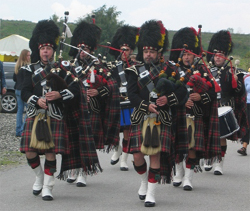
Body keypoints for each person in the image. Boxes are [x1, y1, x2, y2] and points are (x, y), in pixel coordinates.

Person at [125, 20, 189, 207]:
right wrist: (146, 105)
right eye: (145, 51)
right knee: (137, 155)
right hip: (141, 116)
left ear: (159, 52)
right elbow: (132, 94)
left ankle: (151, 193)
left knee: (155, 155)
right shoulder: (134, 70)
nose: (148, 54)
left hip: (162, 118)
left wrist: (169, 100)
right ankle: (144, 181)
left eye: (152, 51)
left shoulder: (171, 69)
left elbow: (183, 92)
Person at [20, 19, 80, 201]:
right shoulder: (27, 70)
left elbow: (75, 90)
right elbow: (24, 91)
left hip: (54, 115)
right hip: (35, 114)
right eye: (42, 48)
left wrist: (60, 95)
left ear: (54, 50)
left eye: (49, 48)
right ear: (37, 50)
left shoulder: (63, 69)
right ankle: (39, 176)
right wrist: (37, 100)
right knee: (29, 151)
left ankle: (48, 185)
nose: (45, 51)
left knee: (50, 152)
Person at [64, 20, 120, 187]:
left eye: (86, 48)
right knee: (73, 140)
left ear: (91, 49)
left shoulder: (99, 66)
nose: (82, 51)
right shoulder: (69, 67)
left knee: (86, 142)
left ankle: (83, 173)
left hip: (92, 110)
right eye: (80, 48)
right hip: (73, 110)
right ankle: (74, 169)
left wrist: (98, 92)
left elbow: (113, 87)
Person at [169, 27, 221, 191]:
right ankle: (178, 173)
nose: (186, 57)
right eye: (184, 54)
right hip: (179, 112)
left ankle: (188, 178)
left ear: (195, 55)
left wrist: (201, 97)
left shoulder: (203, 71)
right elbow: (168, 92)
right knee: (177, 144)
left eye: (189, 54)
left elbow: (214, 91)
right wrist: (182, 101)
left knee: (191, 146)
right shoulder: (173, 71)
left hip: (196, 114)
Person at [205, 30, 248, 175]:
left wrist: (236, 81)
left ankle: (219, 165)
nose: (218, 58)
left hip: (223, 106)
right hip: (208, 106)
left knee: (221, 137)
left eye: (221, 55)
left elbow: (239, 92)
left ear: (225, 56)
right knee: (208, 136)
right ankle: (209, 159)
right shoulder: (206, 70)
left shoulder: (231, 71)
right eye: (216, 55)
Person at [109, 25, 139, 171]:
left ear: (131, 51)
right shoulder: (113, 66)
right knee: (113, 130)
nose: (123, 52)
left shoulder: (136, 67)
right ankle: (118, 149)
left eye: (126, 50)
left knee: (127, 131)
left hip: (129, 103)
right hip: (116, 102)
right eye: (121, 49)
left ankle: (124, 159)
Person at [13, 49, 30, 137]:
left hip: (17, 89)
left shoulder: (17, 66)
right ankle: (23, 129)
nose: (29, 57)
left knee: (19, 110)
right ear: (25, 56)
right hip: (24, 90)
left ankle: (18, 130)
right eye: (28, 55)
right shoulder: (27, 67)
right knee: (29, 109)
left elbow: (14, 78)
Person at [237, 70, 250, 155]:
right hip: (248, 103)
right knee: (248, 124)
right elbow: (242, 91)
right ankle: (244, 147)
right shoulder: (246, 78)